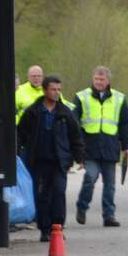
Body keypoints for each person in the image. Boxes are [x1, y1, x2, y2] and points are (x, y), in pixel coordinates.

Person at [16, 75, 85, 242]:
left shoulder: (65, 113)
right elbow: (20, 134)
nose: (56, 92)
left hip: (59, 162)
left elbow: (75, 136)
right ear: (45, 90)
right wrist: (17, 152)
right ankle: (45, 229)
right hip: (38, 161)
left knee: (59, 193)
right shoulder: (33, 112)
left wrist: (80, 157)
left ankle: (57, 227)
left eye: (59, 89)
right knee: (42, 196)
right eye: (53, 89)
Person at [74, 66, 128, 227]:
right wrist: (77, 148)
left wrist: (126, 145)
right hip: (89, 148)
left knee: (110, 185)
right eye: (96, 79)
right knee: (90, 178)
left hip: (110, 147)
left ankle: (109, 215)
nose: (99, 82)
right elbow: (74, 123)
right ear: (92, 79)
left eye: (102, 79)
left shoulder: (119, 98)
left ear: (108, 81)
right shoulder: (81, 97)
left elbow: (125, 124)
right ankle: (82, 206)